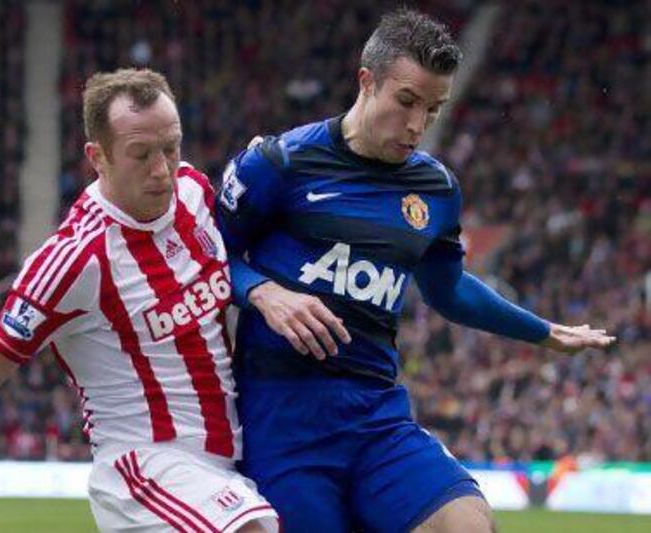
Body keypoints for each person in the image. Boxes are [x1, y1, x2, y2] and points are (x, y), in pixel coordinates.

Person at [217, 9, 615, 533]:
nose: (416, 125)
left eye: (433, 109)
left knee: (468, 523)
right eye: (406, 101)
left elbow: (447, 291)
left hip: (376, 415)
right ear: (367, 81)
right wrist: (263, 291)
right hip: (283, 419)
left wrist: (541, 332)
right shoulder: (279, 164)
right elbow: (205, 256)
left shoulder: (435, 189)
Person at [0, 68, 278, 533]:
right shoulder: (75, 258)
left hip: (230, 455)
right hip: (148, 467)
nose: (162, 169)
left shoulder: (192, 191)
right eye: (140, 155)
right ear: (97, 157)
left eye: (171, 147)